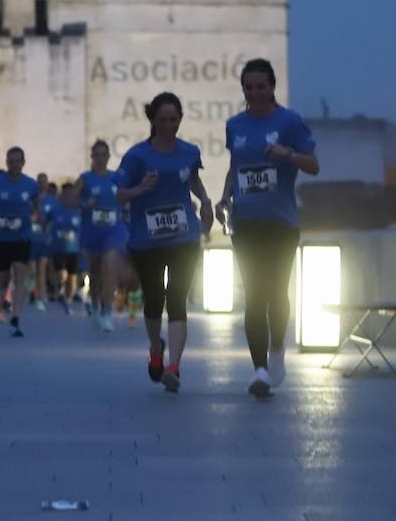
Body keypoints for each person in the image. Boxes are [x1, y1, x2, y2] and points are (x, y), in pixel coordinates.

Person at [219, 58, 319, 398]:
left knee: (277, 292)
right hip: (246, 222)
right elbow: (236, 167)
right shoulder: (235, 125)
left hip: (281, 222)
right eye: (249, 87)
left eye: (261, 86)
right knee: (254, 294)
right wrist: (223, 199)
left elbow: (314, 165)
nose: (255, 93)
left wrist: (287, 154)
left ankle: (277, 349)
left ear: (272, 86)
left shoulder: (289, 121)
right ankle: (259, 369)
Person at [116, 92, 215, 393]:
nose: (168, 125)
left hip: (184, 233)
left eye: (174, 119)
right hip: (146, 239)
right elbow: (118, 193)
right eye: (162, 120)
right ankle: (155, 348)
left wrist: (206, 201)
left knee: (177, 298)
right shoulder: (136, 156)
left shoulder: (189, 152)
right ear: (152, 120)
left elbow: (193, 181)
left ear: (180, 120)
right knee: (154, 299)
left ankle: (174, 365)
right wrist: (138, 189)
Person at [0, 147, 39, 338]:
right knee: (3, 279)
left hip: (22, 237)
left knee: (20, 277)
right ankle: (0, 302)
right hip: (0, 238)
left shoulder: (30, 184)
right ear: (6, 162)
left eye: (17, 161)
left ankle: (16, 318)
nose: (14, 164)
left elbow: (37, 206)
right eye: (10, 161)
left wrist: (34, 217)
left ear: (23, 162)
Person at [78, 139, 129, 332]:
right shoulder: (85, 178)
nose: (100, 158)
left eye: (103, 154)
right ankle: (94, 303)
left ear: (108, 156)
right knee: (96, 272)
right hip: (92, 232)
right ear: (92, 157)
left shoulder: (117, 177)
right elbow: (71, 199)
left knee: (110, 267)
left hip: (115, 230)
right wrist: (84, 204)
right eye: (96, 155)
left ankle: (107, 312)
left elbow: (128, 196)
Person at [49, 181, 84, 315]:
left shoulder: (78, 211)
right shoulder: (55, 210)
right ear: (61, 195)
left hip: (74, 249)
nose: (68, 197)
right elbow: (44, 222)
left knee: (72, 277)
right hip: (58, 248)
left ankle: (68, 299)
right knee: (62, 274)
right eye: (66, 194)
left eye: (71, 194)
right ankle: (59, 288)